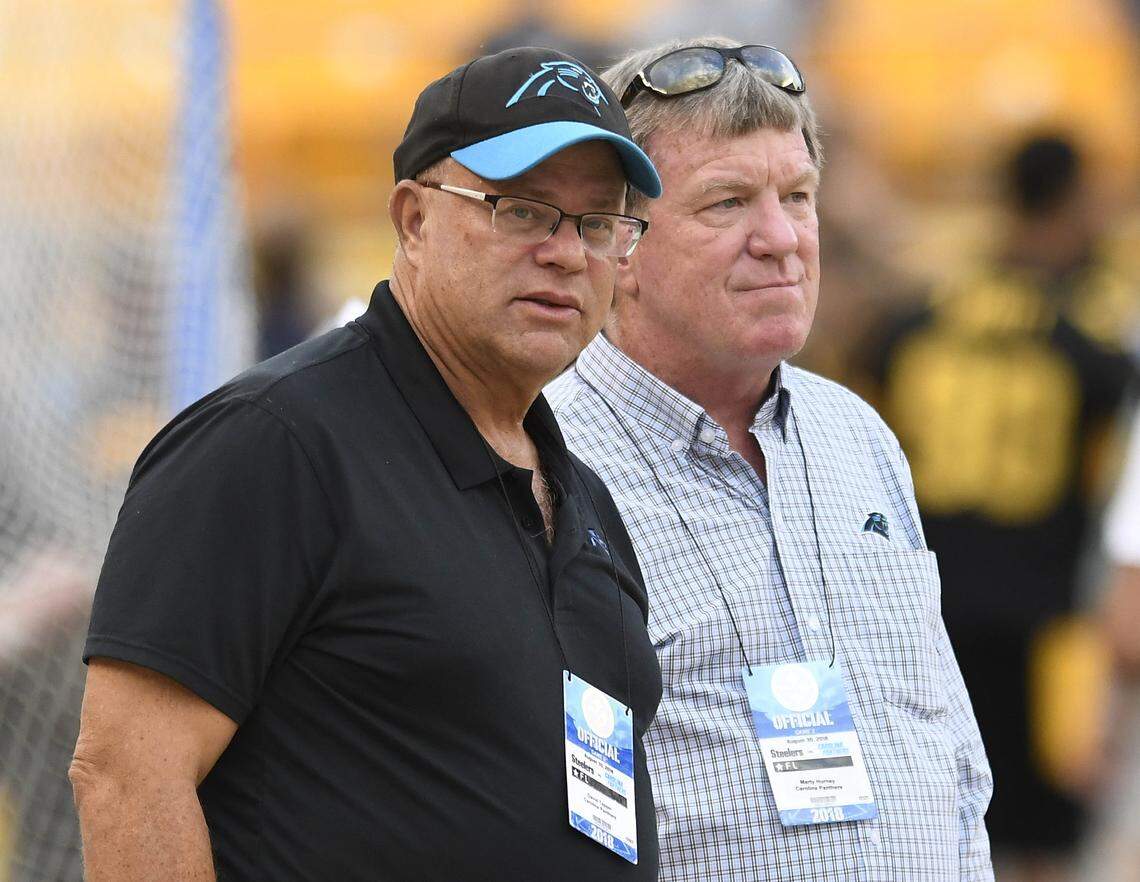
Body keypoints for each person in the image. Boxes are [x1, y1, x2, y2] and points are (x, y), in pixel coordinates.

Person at [69, 46, 665, 881]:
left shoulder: (585, 499)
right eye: (522, 210)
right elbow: (127, 776)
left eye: (599, 223)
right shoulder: (270, 444)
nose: (567, 253)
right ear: (413, 220)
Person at [546, 36, 994, 880]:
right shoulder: (545, 464)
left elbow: (954, 753)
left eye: (798, 195)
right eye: (727, 203)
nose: (781, 238)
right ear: (620, 244)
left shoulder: (858, 436)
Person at [873, 134, 1136, 882]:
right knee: (1047, 848)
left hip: (932, 614)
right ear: (1074, 197)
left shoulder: (917, 318)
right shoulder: (1093, 337)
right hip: (1049, 624)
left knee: (942, 832)